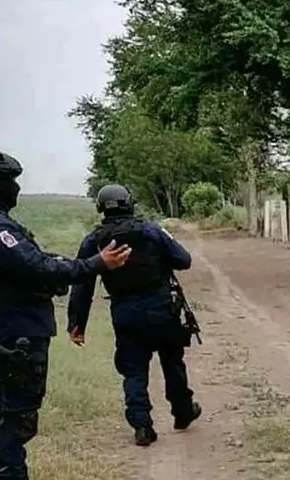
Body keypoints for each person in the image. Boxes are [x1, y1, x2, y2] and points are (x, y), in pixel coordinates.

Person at [0, 149, 132, 480]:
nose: (15, 187)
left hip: (15, 323)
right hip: (13, 327)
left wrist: (63, 267)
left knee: (18, 407)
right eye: (9, 180)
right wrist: (96, 264)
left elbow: (35, 264)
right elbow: (37, 268)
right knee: (17, 411)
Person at [67, 184, 202, 447]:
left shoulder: (94, 240)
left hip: (125, 312)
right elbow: (183, 260)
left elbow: (82, 284)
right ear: (130, 203)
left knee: (133, 370)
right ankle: (183, 412)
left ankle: (142, 426)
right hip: (162, 308)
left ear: (101, 208)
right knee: (172, 362)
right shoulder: (151, 230)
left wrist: (77, 324)